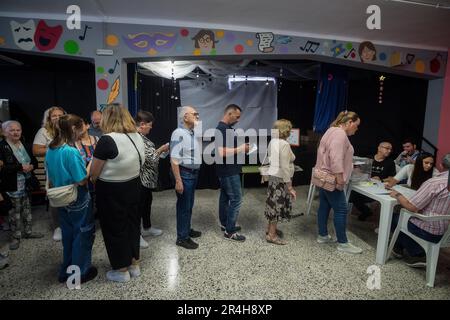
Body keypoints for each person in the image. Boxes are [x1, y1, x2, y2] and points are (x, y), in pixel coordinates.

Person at [90, 104, 144, 283]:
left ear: (107, 118)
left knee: (115, 229)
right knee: (132, 225)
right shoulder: (137, 136)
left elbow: (94, 173)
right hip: (134, 185)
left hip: (112, 190)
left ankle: (121, 270)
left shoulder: (106, 140)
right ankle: (134, 264)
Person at [45, 114, 97, 284]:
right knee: (82, 234)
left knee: (68, 235)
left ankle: (65, 271)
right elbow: (81, 179)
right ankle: (79, 273)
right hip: (77, 197)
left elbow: (51, 178)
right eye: (81, 127)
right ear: (74, 129)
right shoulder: (71, 151)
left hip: (60, 197)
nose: (83, 131)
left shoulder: (51, 149)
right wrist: (91, 163)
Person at [389, 153, 450, 267]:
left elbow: (412, 207)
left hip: (428, 229)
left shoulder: (434, 182)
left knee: (394, 219)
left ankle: (418, 253)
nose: (428, 166)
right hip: (445, 230)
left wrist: (397, 195)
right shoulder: (411, 169)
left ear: (441, 165)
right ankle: (399, 248)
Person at [314, 111, 363, 254]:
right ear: (349, 123)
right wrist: (340, 180)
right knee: (341, 209)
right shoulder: (340, 134)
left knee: (324, 205)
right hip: (332, 178)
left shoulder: (331, 130)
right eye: (356, 125)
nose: (357, 128)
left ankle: (323, 235)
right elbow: (335, 159)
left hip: (323, 176)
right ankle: (343, 243)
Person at [0, 121, 42, 251]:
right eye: (11, 130)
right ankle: (15, 237)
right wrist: (20, 167)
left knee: (27, 209)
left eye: (18, 130)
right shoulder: (1, 147)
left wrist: (31, 166)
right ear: (4, 132)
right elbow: (2, 168)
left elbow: (34, 161)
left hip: (27, 184)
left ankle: (28, 232)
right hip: (12, 185)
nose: (15, 132)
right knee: (14, 213)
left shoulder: (24, 144)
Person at [215, 104, 249, 242]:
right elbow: (221, 152)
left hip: (229, 170)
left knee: (224, 198)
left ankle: (225, 224)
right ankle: (230, 231)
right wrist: (240, 148)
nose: (238, 119)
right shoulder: (221, 129)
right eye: (237, 116)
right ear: (229, 114)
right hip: (228, 171)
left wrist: (243, 148)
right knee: (236, 199)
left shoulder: (228, 129)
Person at [135, 111, 169, 249]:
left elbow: (152, 157)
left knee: (147, 203)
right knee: (138, 207)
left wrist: (161, 152)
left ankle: (147, 228)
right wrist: (161, 149)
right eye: (149, 125)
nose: (151, 127)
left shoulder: (143, 137)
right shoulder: (138, 138)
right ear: (142, 124)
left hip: (147, 180)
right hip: (141, 180)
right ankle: (137, 235)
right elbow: (151, 160)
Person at [170, 106, 202, 250]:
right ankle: (182, 238)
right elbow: (174, 159)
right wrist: (178, 180)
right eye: (194, 114)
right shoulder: (178, 133)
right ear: (185, 117)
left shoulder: (192, 132)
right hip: (185, 174)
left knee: (189, 205)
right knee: (184, 207)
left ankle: (187, 230)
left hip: (192, 174)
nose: (197, 117)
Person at [32, 106, 66, 242]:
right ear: (49, 118)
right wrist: (55, 148)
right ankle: (58, 227)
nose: (57, 118)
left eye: (60, 115)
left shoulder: (68, 128)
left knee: (71, 195)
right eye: (54, 116)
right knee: (55, 197)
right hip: (53, 170)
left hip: (69, 167)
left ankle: (69, 224)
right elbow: (35, 150)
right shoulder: (44, 131)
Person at [264, 119, 296, 245]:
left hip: (273, 178)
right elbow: (285, 167)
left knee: (272, 205)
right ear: (286, 130)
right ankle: (272, 236)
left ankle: (269, 230)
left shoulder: (273, 141)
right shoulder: (284, 144)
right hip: (281, 180)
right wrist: (290, 187)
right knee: (277, 207)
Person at [351, 141, 396, 221]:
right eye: (387, 148)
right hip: (364, 185)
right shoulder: (369, 158)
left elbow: (392, 178)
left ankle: (366, 212)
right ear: (379, 148)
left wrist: (381, 179)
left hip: (377, 188)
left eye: (390, 149)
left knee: (356, 197)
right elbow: (359, 171)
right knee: (352, 195)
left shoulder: (390, 162)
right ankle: (366, 211)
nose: (389, 151)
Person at [75, 118, 99, 217]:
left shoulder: (96, 139)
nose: (79, 128)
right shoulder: (75, 142)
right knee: (86, 204)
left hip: (98, 175)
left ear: (88, 126)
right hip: (84, 176)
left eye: (81, 125)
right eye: (76, 127)